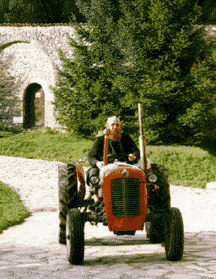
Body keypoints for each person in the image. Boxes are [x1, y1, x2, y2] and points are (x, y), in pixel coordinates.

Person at [87, 116, 140, 187]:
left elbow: (136, 151)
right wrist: (97, 163)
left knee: (140, 171)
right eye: (112, 125)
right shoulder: (100, 140)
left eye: (117, 125)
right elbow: (91, 156)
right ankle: (93, 193)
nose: (115, 127)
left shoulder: (126, 138)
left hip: (125, 164)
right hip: (105, 166)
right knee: (93, 172)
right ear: (107, 126)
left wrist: (133, 155)